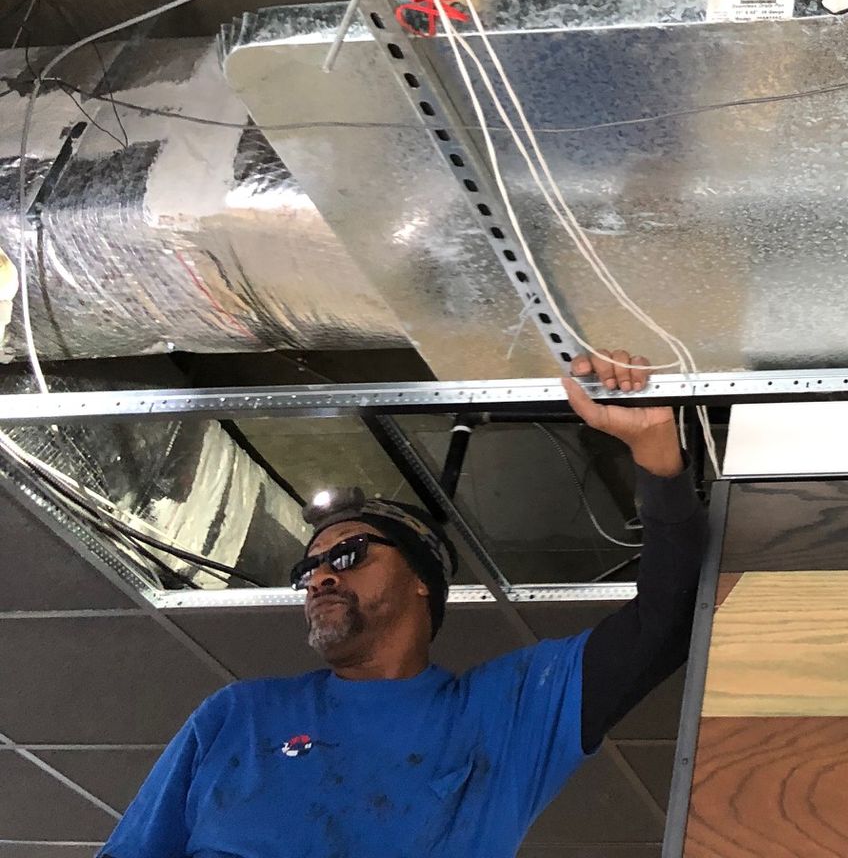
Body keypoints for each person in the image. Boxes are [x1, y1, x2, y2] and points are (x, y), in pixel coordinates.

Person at [100, 348, 704, 858]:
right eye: (307, 567)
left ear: (421, 580)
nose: (319, 578)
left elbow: (668, 621)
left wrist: (653, 449)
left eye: (348, 554)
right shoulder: (240, 714)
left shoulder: (507, 713)